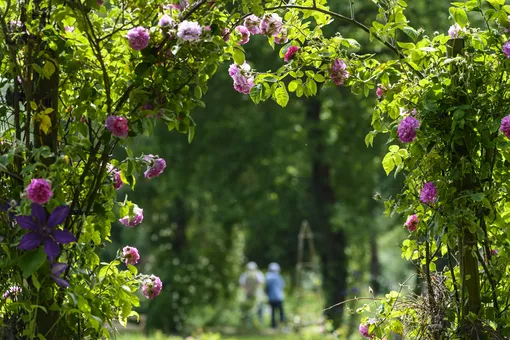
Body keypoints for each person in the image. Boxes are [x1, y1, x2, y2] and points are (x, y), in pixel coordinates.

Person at [265, 262, 285, 328]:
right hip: (279, 297)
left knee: (273, 313)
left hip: (271, 298)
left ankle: (273, 326)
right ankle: (282, 324)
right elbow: (282, 286)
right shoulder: (279, 277)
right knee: (281, 312)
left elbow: (266, 288)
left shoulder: (268, 277)